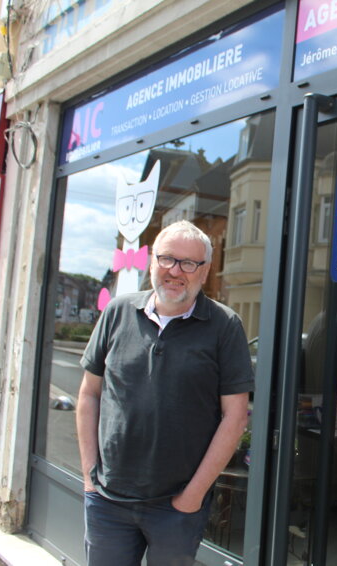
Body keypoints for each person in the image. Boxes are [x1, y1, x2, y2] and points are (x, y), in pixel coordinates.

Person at [76, 220, 254, 566]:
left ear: (205, 272)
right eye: (168, 259)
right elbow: (89, 395)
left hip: (176, 506)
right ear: (151, 262)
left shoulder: (224, 325)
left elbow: (235, 418)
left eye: (190, 263)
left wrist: (193, 496)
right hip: (108, 499)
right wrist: (88, 475)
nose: (176, 271)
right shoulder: (118, 312)